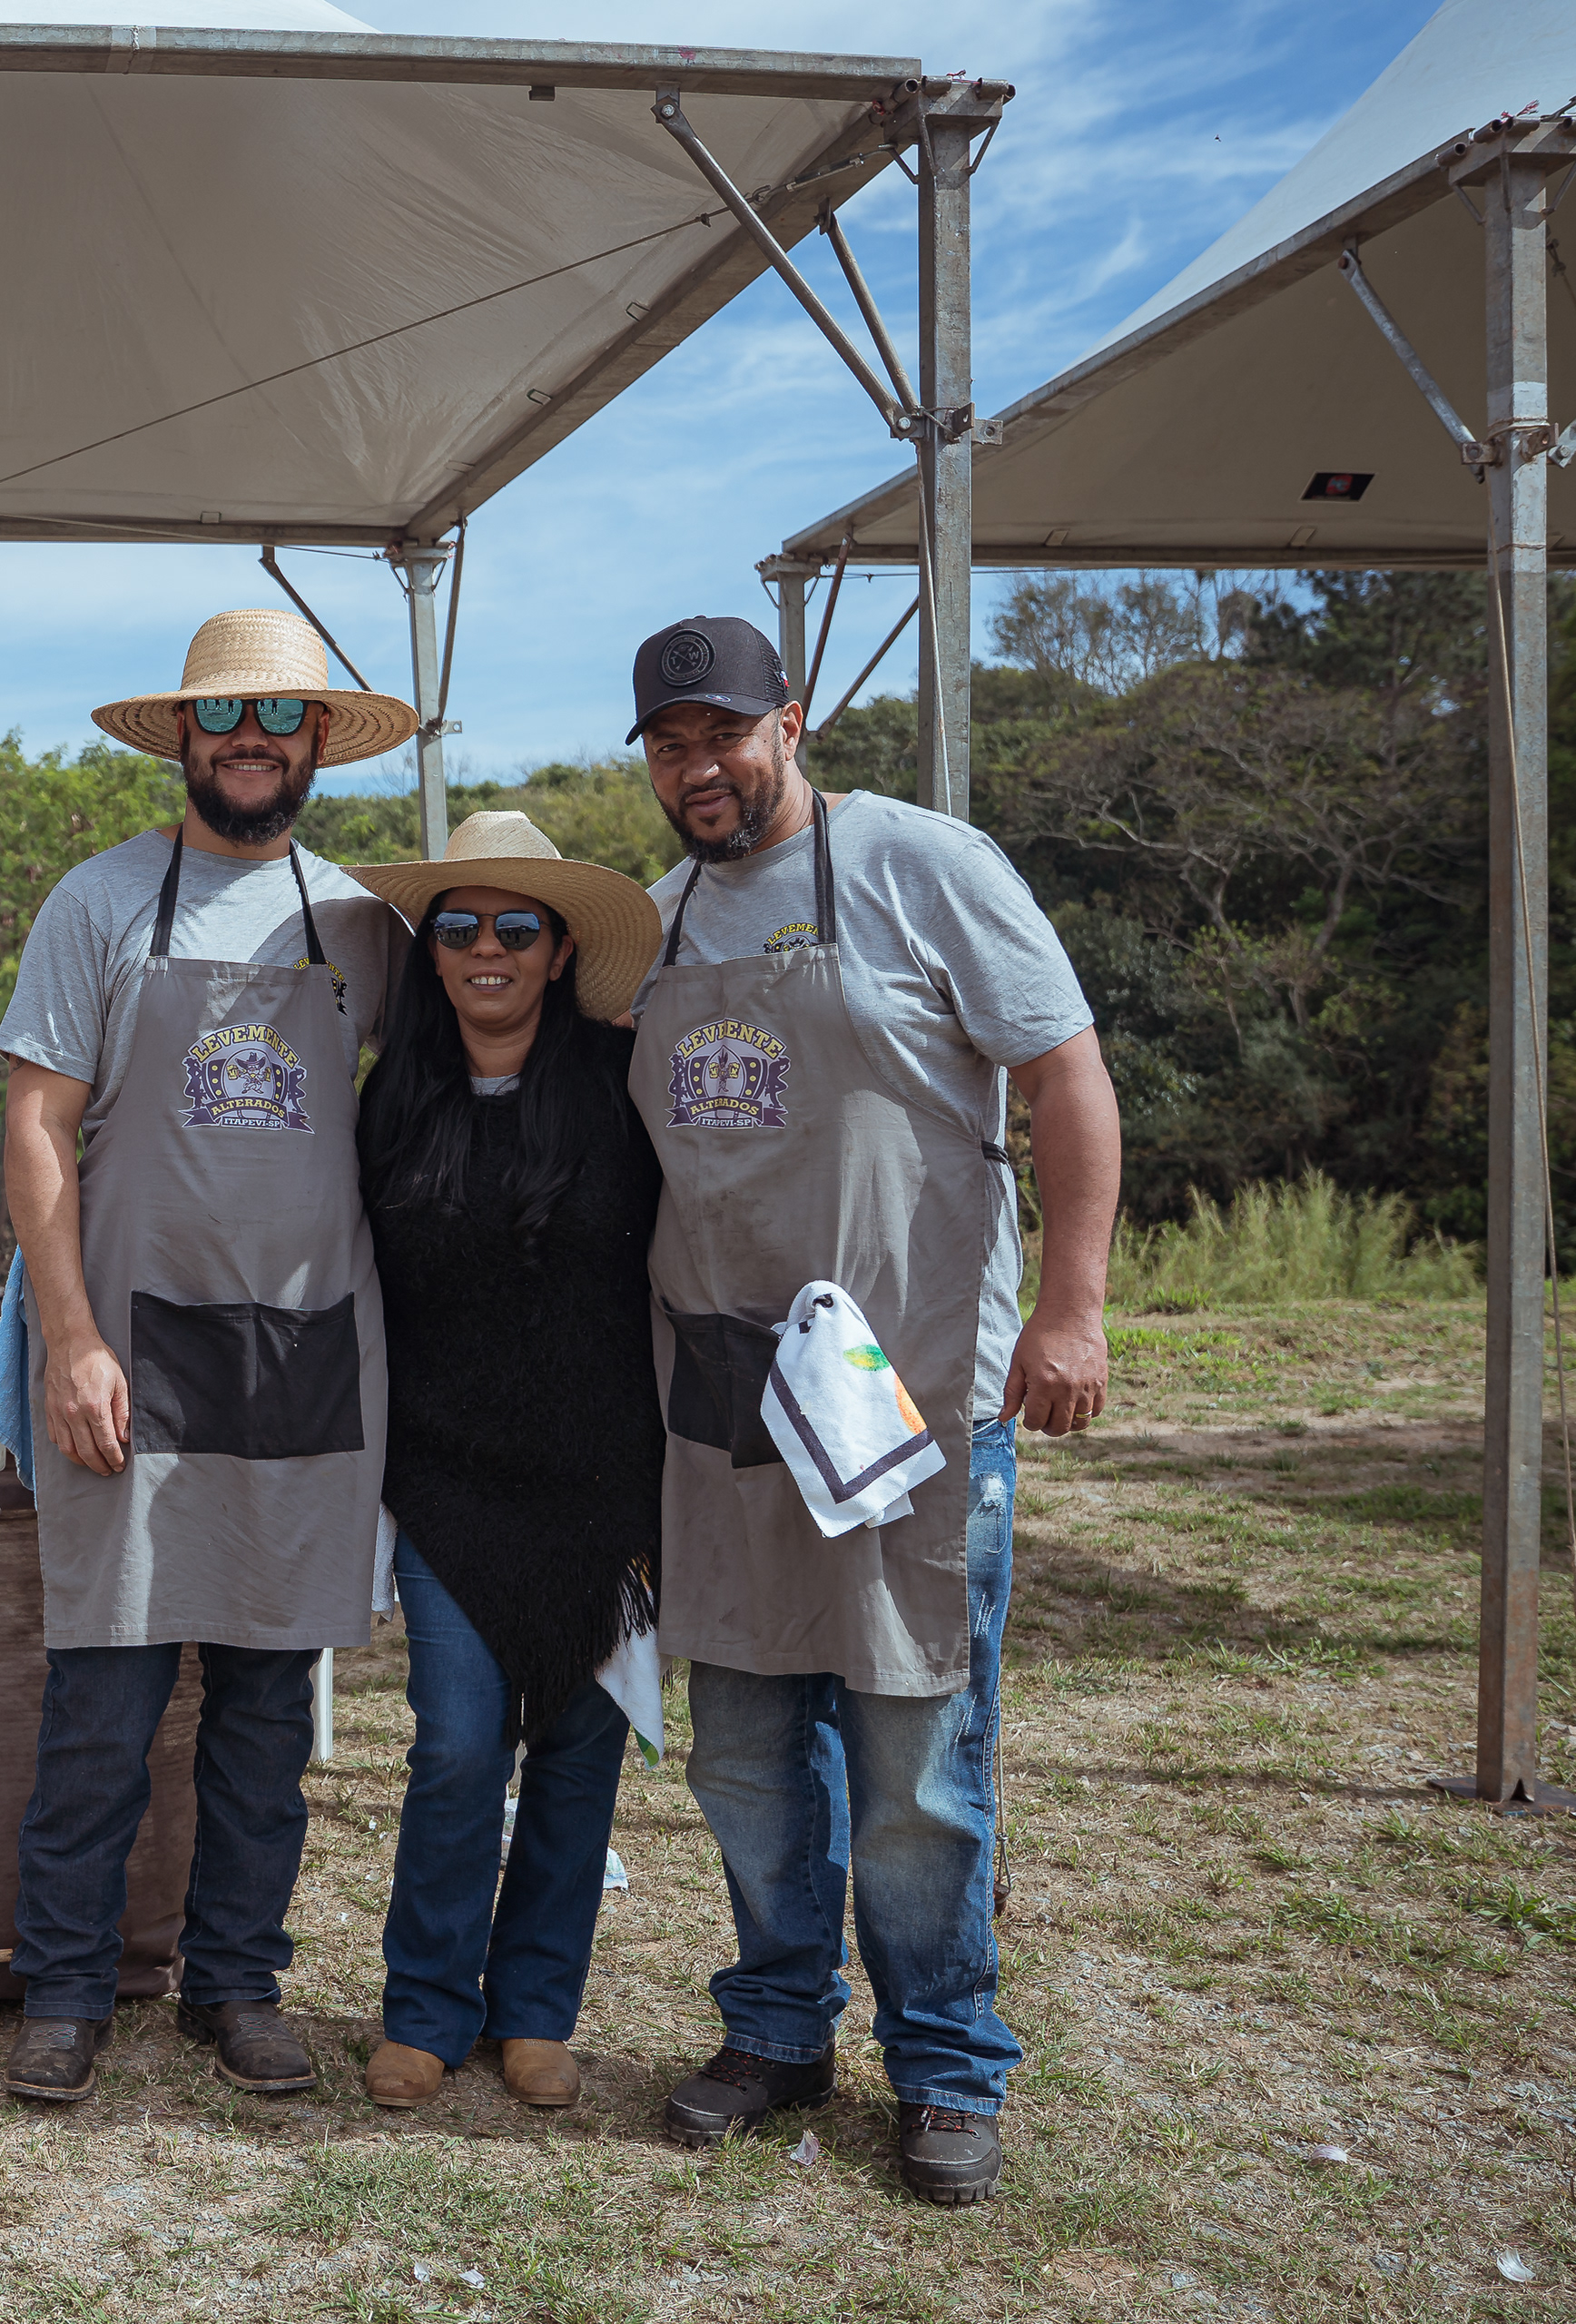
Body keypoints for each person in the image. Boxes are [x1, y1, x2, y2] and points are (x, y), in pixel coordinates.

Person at [619, 616, 1118, 2206]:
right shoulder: (653, 924)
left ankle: (947, 2063)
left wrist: (1073, 1308)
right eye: (670, 746)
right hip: (725, 1388)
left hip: (906, 1392)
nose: (700, 769)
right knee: (744, 1750)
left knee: (916, 1758)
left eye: (725, 734)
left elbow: (1065, 1074)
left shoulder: (922, 864)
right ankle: (778, 2028)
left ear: (795, 718)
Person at [0, 608, 412, 2103]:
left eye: (280, 716)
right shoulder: (99, 901)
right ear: (182, 731)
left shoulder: (364, 922)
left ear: (319, 743)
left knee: (264, 1711)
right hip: (132, 1350)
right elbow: (36, 1125)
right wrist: (69, 1339)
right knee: (103, 1707)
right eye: (226, 713)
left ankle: (236, 1983)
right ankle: (66, 1989)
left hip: (307, 1355)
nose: (251, 739)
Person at [343, 812, 666, 2115]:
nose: (489, 948)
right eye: (461, 927)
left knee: (580, 1751)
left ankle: (537, 2010)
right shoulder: (392, 1099)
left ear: (558, 949)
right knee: (461, 1747)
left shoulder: (627, 1085)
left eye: (516, 927)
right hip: (447, 1479)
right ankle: (427, 2007)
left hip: (605, 1475)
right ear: (432, 955)